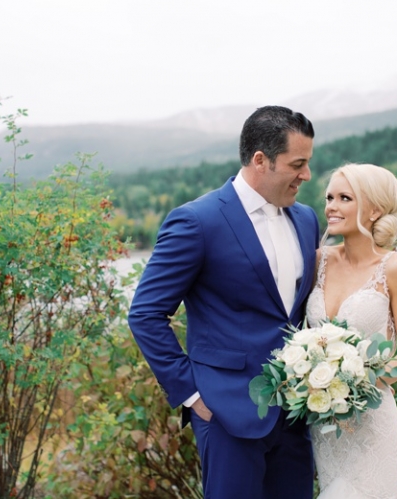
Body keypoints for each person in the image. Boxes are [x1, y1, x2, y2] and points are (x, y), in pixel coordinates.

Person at [128, 106, 320, 499]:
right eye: (297, 164)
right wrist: (192, 395)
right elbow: (146, 314)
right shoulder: (197, 221)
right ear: (260, 160)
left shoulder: (307, 220)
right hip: (226, 413)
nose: (307, 175)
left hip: (296, 413)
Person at [305, 163, 397, 499]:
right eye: (329, 198)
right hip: (325, 425)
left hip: (371, 421)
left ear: (374, 210)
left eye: (345, 198)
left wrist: (358, 387)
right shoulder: (318, 261)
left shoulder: (394, 267)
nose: (331, 206)